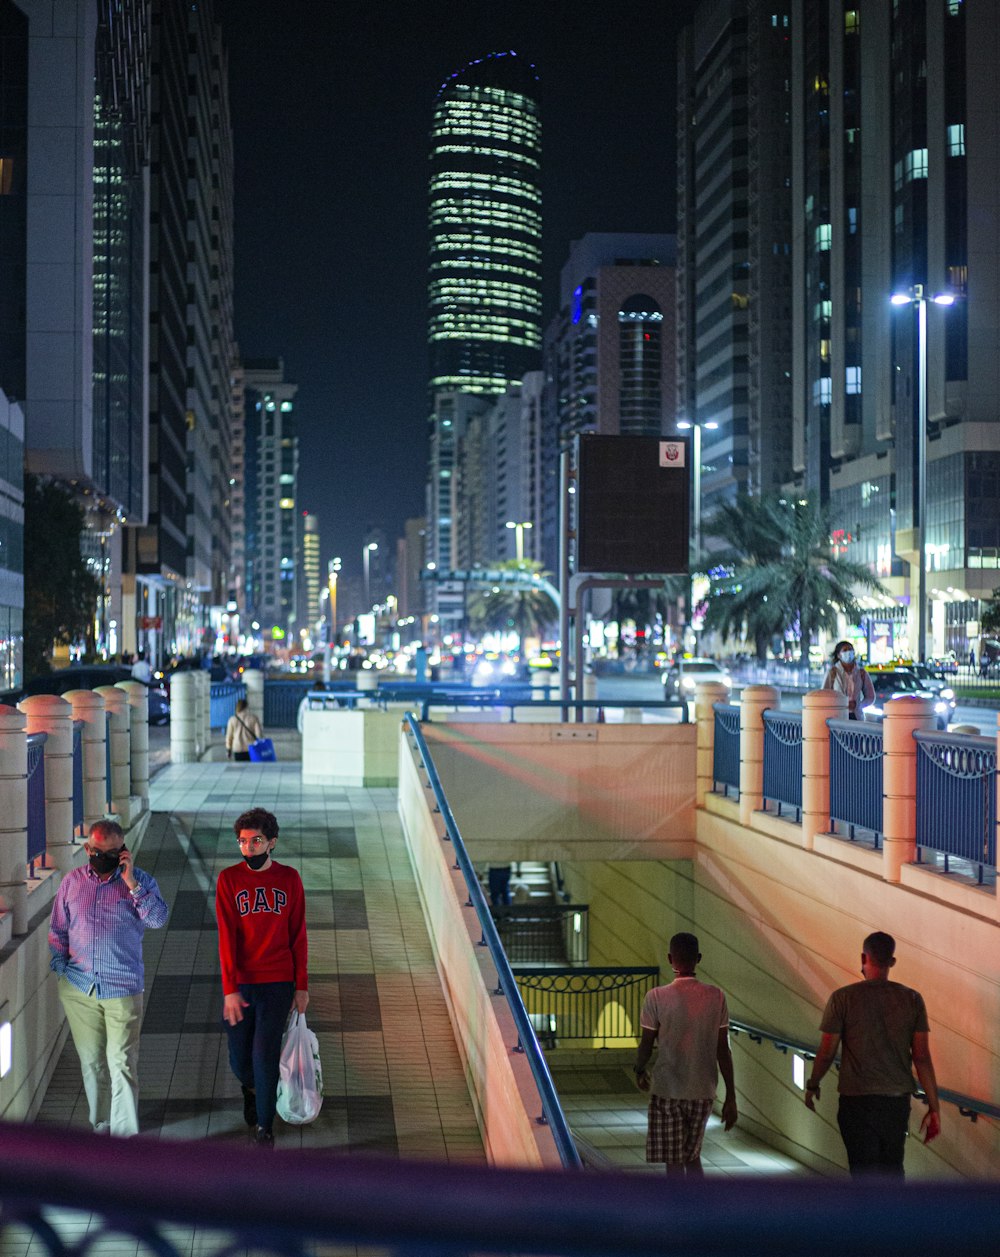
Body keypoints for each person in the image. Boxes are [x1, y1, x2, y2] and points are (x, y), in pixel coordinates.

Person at [47, 819, 168, 1136]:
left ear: (123, 852)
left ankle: (125, 1136)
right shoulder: (72, 883)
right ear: (87, 849)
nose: (103, 857)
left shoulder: (140, 882)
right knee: (92, 1062)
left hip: (122, 988)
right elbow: (58, 929)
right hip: (79, 988)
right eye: (98, 851)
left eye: (112, 852)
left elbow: (157, 919)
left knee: (122, 1062)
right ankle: (101, 1126)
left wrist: (131, 884)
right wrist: (61, 968)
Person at [804, 930, 941, 1177]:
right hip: (896, 1102)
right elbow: (921, 1057)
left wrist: (813, 1085)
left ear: (863, 957)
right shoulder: (912, 999)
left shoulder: (842, 999)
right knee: (892, 1169)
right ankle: (891, 1215)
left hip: (857, 1101)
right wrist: (934, 1107)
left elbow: (826, 1052)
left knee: (862, 1172)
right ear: (892, 962)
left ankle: (866, 1215)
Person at [216, 807, 309, 1148]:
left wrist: (301, 986)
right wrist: (229, 990)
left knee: (264, 1053)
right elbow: (226, 938)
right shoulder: (229, 880)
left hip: (277, 982)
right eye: (242, 842)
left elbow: (298, 935)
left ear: (272, 843)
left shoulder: (289, 879)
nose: (248, 848)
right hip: (240, 983)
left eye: (255, 841)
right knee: (241, 1059)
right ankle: (251, 1089)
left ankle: (265, 1128)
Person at [633, 932, 738, 1177]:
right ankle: (698, 1210)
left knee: (674, 1161)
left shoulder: (656, 997)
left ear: (670, 959)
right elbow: (723, 1049)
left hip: (667, 1088)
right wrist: (731, 1096)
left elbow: (647, 1043)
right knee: (692, 1157)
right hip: (703, 1090)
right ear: (698, 958)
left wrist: (639, 1069)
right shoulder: (717, 996)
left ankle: (678, 1211)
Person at [822, 640, 874, 720]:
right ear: (839, 655)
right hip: (838, 717)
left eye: (850, 650)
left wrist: (858, 705)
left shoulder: (861, 673)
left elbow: (870, 697)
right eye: (845, 650)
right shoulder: (832, 673)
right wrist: (841, 704)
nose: (848, 652)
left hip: (856, 717)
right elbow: (824, 696)